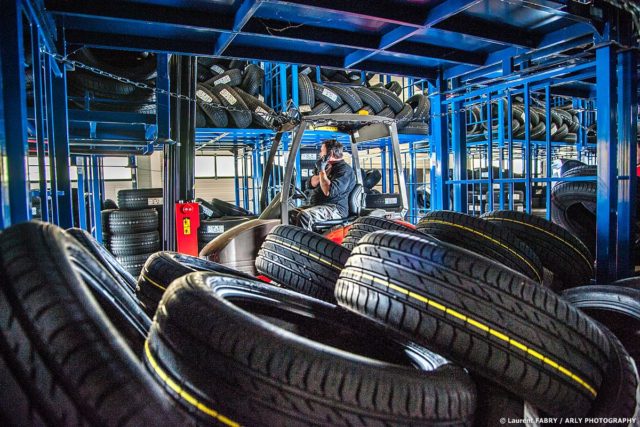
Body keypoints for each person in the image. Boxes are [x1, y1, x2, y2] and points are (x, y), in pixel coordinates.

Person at [291, 139, 356, 230]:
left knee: (305, 216)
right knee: (291, 214)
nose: (320, 154)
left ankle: (305, 243)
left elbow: (328, 191)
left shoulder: (344, 170)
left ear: (331, 153)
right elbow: (310, 183)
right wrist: (323, 171)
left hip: (335, 208)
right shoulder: (325, 166)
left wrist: (322, 171)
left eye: (322, 151)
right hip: (318, 205)